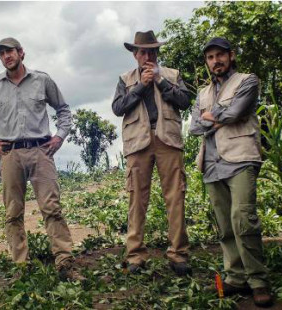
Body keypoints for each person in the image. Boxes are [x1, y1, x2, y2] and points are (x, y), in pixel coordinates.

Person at [0, 37, 83, 281]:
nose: (6, 57)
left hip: (40, 151)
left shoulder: (42, 80)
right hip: (10, 154)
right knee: (13, 212)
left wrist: (59, 136)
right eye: (1, 54)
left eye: (9, 51)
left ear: (21, 53)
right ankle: (22, 267)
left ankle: (65, 263)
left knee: (51, 208)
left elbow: (63, 109)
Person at [189, 37, 272, 307]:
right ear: (207, 62)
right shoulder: (202, 93)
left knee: (243, 219)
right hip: (211, 163)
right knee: (225, 225)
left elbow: (238, 111)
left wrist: (213, 116)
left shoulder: (248, 81)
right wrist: (217, 115)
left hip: (241, 157)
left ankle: (258, 281)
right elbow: (194, 128)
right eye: (210, 57)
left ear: (231, 56)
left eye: (220, 55)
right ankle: (236, 277)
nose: (216, 61)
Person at [112, 30, 191, 276]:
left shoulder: (172, 75)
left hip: (168, 139)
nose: (147, 56)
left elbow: (185, 100)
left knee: (175, 197)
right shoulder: (125, 79)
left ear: (157, 53)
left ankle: (178, 255)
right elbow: (117, 108)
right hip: (138, 143)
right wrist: (140, 87)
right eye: (143, 51)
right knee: (136, 199)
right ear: (135, 54)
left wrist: (159, 81)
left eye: (152, 51)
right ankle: (135, 256)